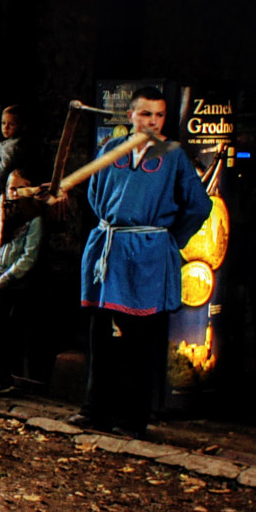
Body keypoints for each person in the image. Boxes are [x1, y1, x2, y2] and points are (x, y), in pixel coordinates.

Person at [71, 84, 213, 438]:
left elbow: (198, 205)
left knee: (139, 338)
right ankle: (96, 410)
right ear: (131, 115)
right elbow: (94, 194)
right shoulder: (111, 150)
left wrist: (168, 241)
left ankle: (132, 418)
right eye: (146, 113)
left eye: (160, 114)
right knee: (102, 333)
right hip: (109, 250)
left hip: (147, 255)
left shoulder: (174, 156)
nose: (153, 121)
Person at [0, 164, 43, 396]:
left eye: (20, 189)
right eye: (11, 188)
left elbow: (28, 256)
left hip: (17, 282)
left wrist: (4, 279)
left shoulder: (33, 217)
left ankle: (1, 375)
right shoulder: (2, 212)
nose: (14, 193)